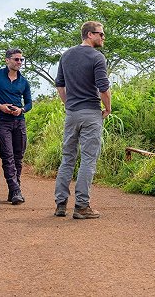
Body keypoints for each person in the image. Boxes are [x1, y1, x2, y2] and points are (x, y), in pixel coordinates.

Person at [54, 21, 111, 219]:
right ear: (89, 34)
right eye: (100, 34)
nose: (103, 38)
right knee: (88, 159)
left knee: (67, 157)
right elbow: (103, 87)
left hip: (72, 113)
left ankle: (60, 204)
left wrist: (68, 104)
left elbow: (60, 85)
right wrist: (108, 108)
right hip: (91, 113)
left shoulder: (67, 55)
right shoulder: (97, 57)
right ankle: (81, 205)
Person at [0, 48, 32, 205]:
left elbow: (29, 103)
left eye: (21, 60)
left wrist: (21, 109)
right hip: (2, 121)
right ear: (7, 60)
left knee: (18, 157)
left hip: (19, 121)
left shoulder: (24, 82)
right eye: (16, 59)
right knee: (8, 156)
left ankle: (14, 190)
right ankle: (16, 191)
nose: (19, 62)